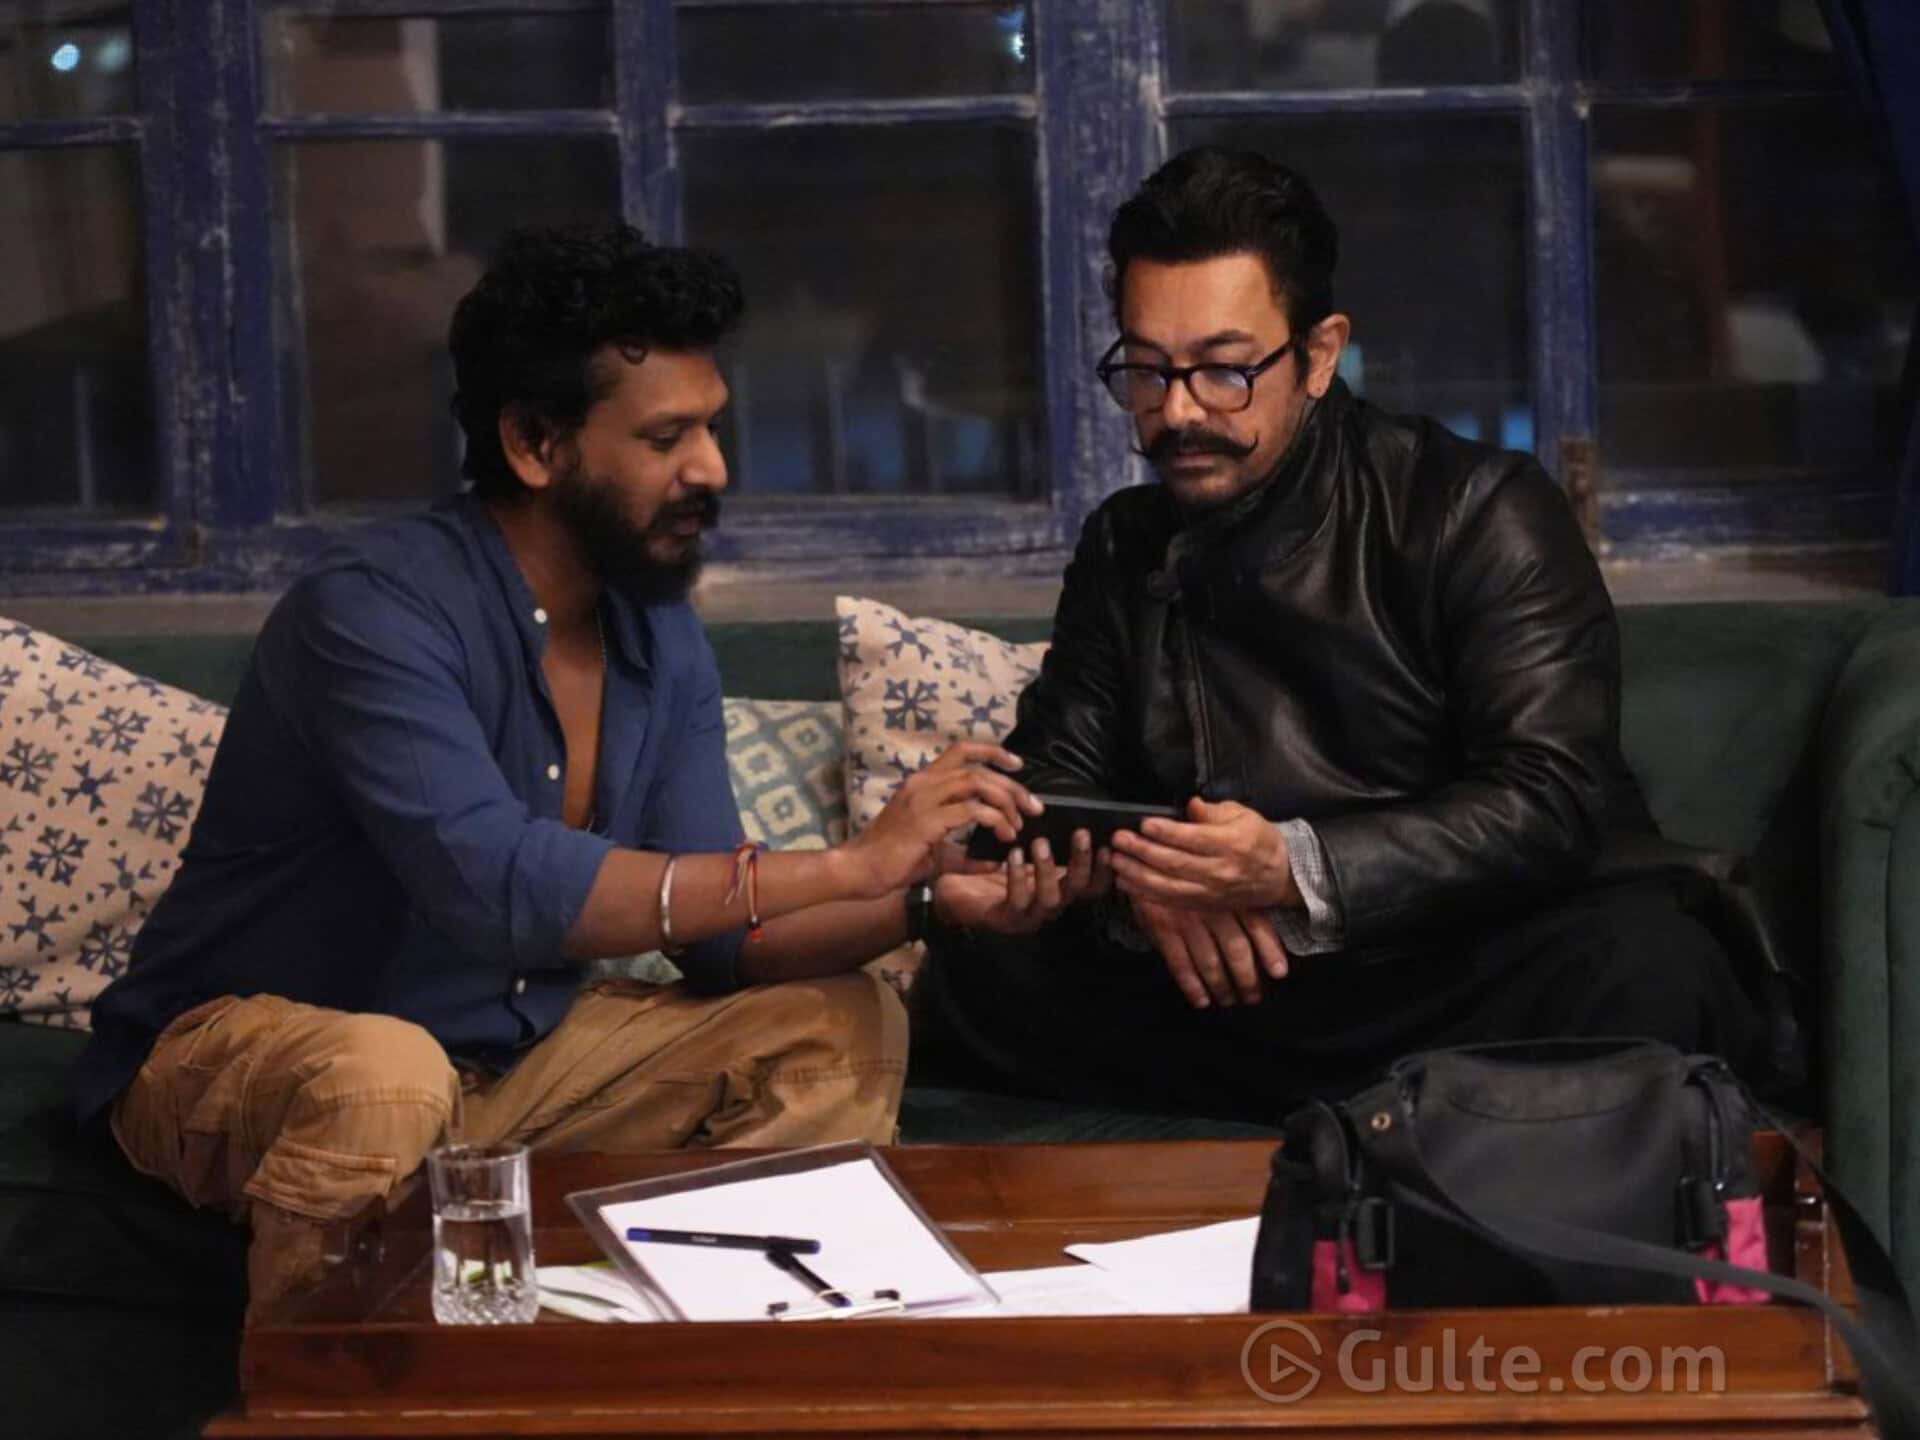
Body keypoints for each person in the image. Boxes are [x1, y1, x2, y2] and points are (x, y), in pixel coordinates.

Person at [71, 220, 1099, 1322]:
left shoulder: (658, 633)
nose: (712, 468)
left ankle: (712, 1372)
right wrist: (851, 861)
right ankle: (326, 1395)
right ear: (533, 444)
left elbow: (726, 941)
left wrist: (925, 898)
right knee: (385, 1076)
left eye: (712, 426)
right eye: (666, 437)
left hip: (502, 1062)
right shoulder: (369, 611)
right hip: (249, 1054)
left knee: (836, 1024)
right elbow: (498, 887)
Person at [913, 146, 1767, 1121]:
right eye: (1146, 370)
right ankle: (1372, 1118)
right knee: (982, 975)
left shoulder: (1475, 507)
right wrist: (1152, 887)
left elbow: (1552, 796)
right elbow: (1050, 786)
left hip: (1446, 966)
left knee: (1650, 968)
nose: (1177, 412)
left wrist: (1290, 869)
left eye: (1224, 371)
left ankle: (1374, 1119)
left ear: (1320, 354)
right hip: (1232, 982)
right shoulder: (1125, 542)